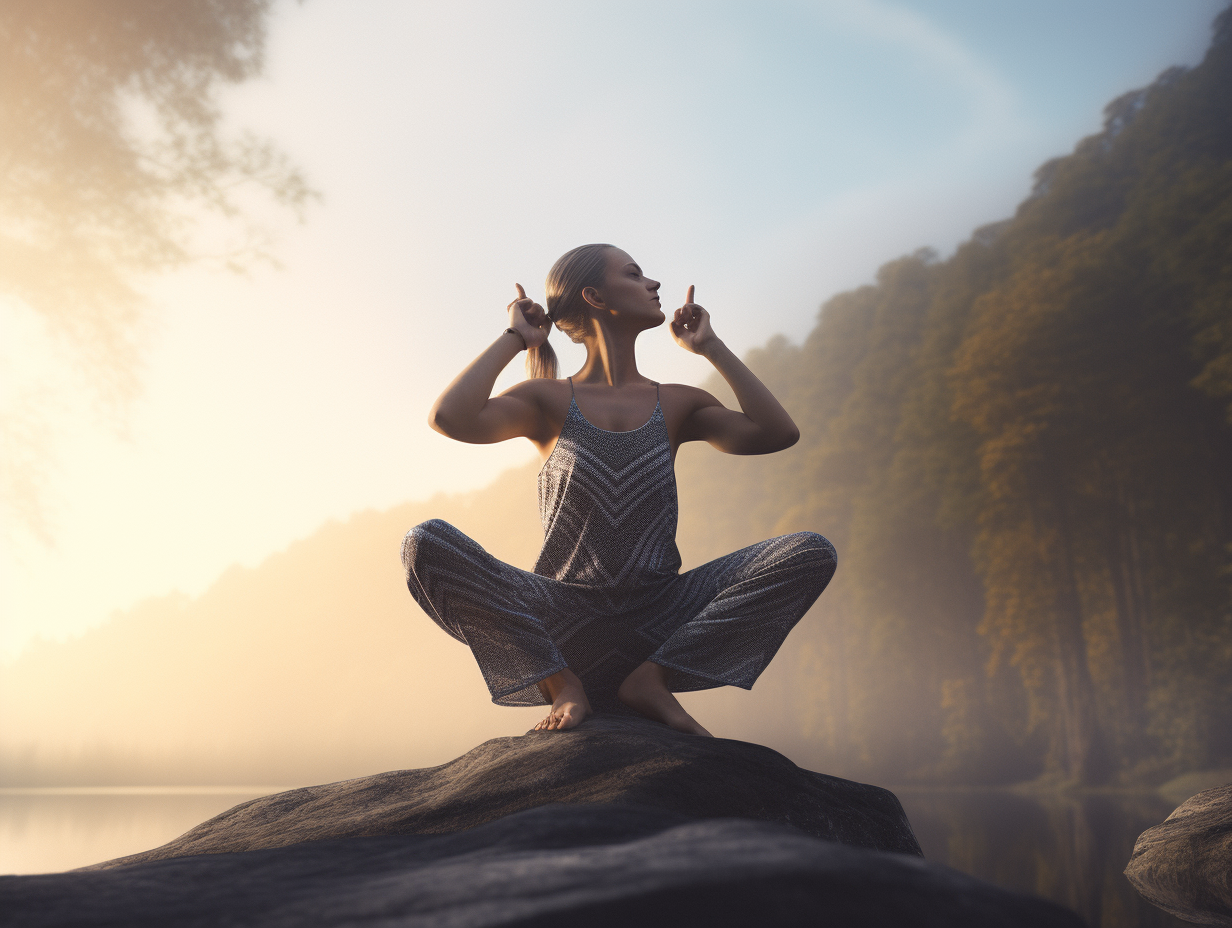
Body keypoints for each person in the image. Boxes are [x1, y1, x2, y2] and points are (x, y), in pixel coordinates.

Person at [402, 244, 836, 737]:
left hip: (661, 616)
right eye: (635, 274)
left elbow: (777, 434)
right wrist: (514, 338)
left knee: (809, 552)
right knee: (425, 541)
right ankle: (561, 683)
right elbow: (449, 418)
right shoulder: (544, 399)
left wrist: (710, 348)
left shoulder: (678, 402)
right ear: (595, 296)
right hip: (561, 620)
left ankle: (653, 681)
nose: (654, 285)